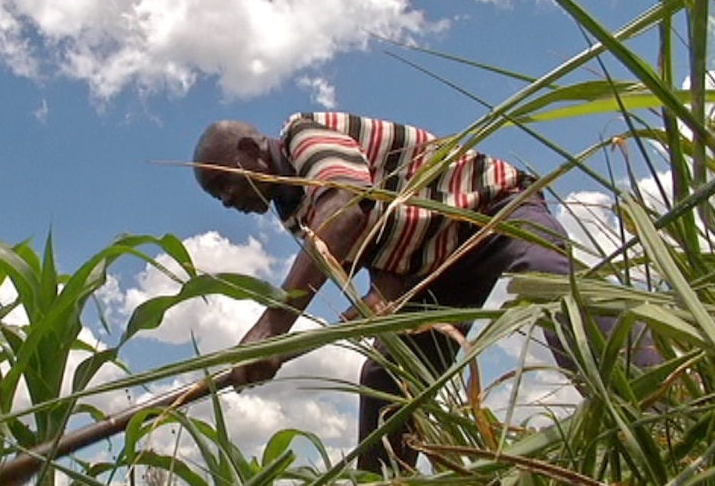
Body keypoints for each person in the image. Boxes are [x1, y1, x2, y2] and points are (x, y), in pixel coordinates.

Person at [192, 112, 659, 474]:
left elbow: (348, 207)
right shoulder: (293, 210)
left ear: (252, 149)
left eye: (224, 183)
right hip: (434, 268)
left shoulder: (304, 137)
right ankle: (385, 481)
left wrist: (273, 328)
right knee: (384, 377)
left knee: (555, 288)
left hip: (493, 213)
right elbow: (378, 252)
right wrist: (375, 302)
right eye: (218, 198)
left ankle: (658, 404)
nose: (228, 201)